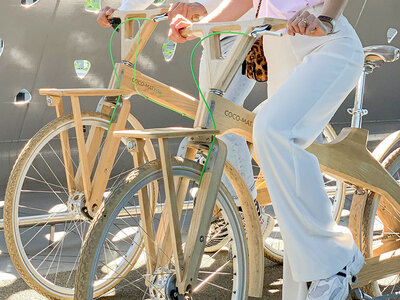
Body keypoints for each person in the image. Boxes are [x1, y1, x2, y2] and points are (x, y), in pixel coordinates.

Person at [169, 0, 365, 299]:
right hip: (279, 47)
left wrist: (325, 17)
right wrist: (200, 26)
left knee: (272, 130)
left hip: (325, 41)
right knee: (265, 139)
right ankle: (310, 276)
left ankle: (335, 258)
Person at [96, 0, 275, 251]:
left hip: (241, 33)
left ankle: (249, 213)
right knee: (209, 122)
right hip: (209, 37)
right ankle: (225, 206)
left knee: (218, 119)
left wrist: (199, 7)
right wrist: (121, 10)